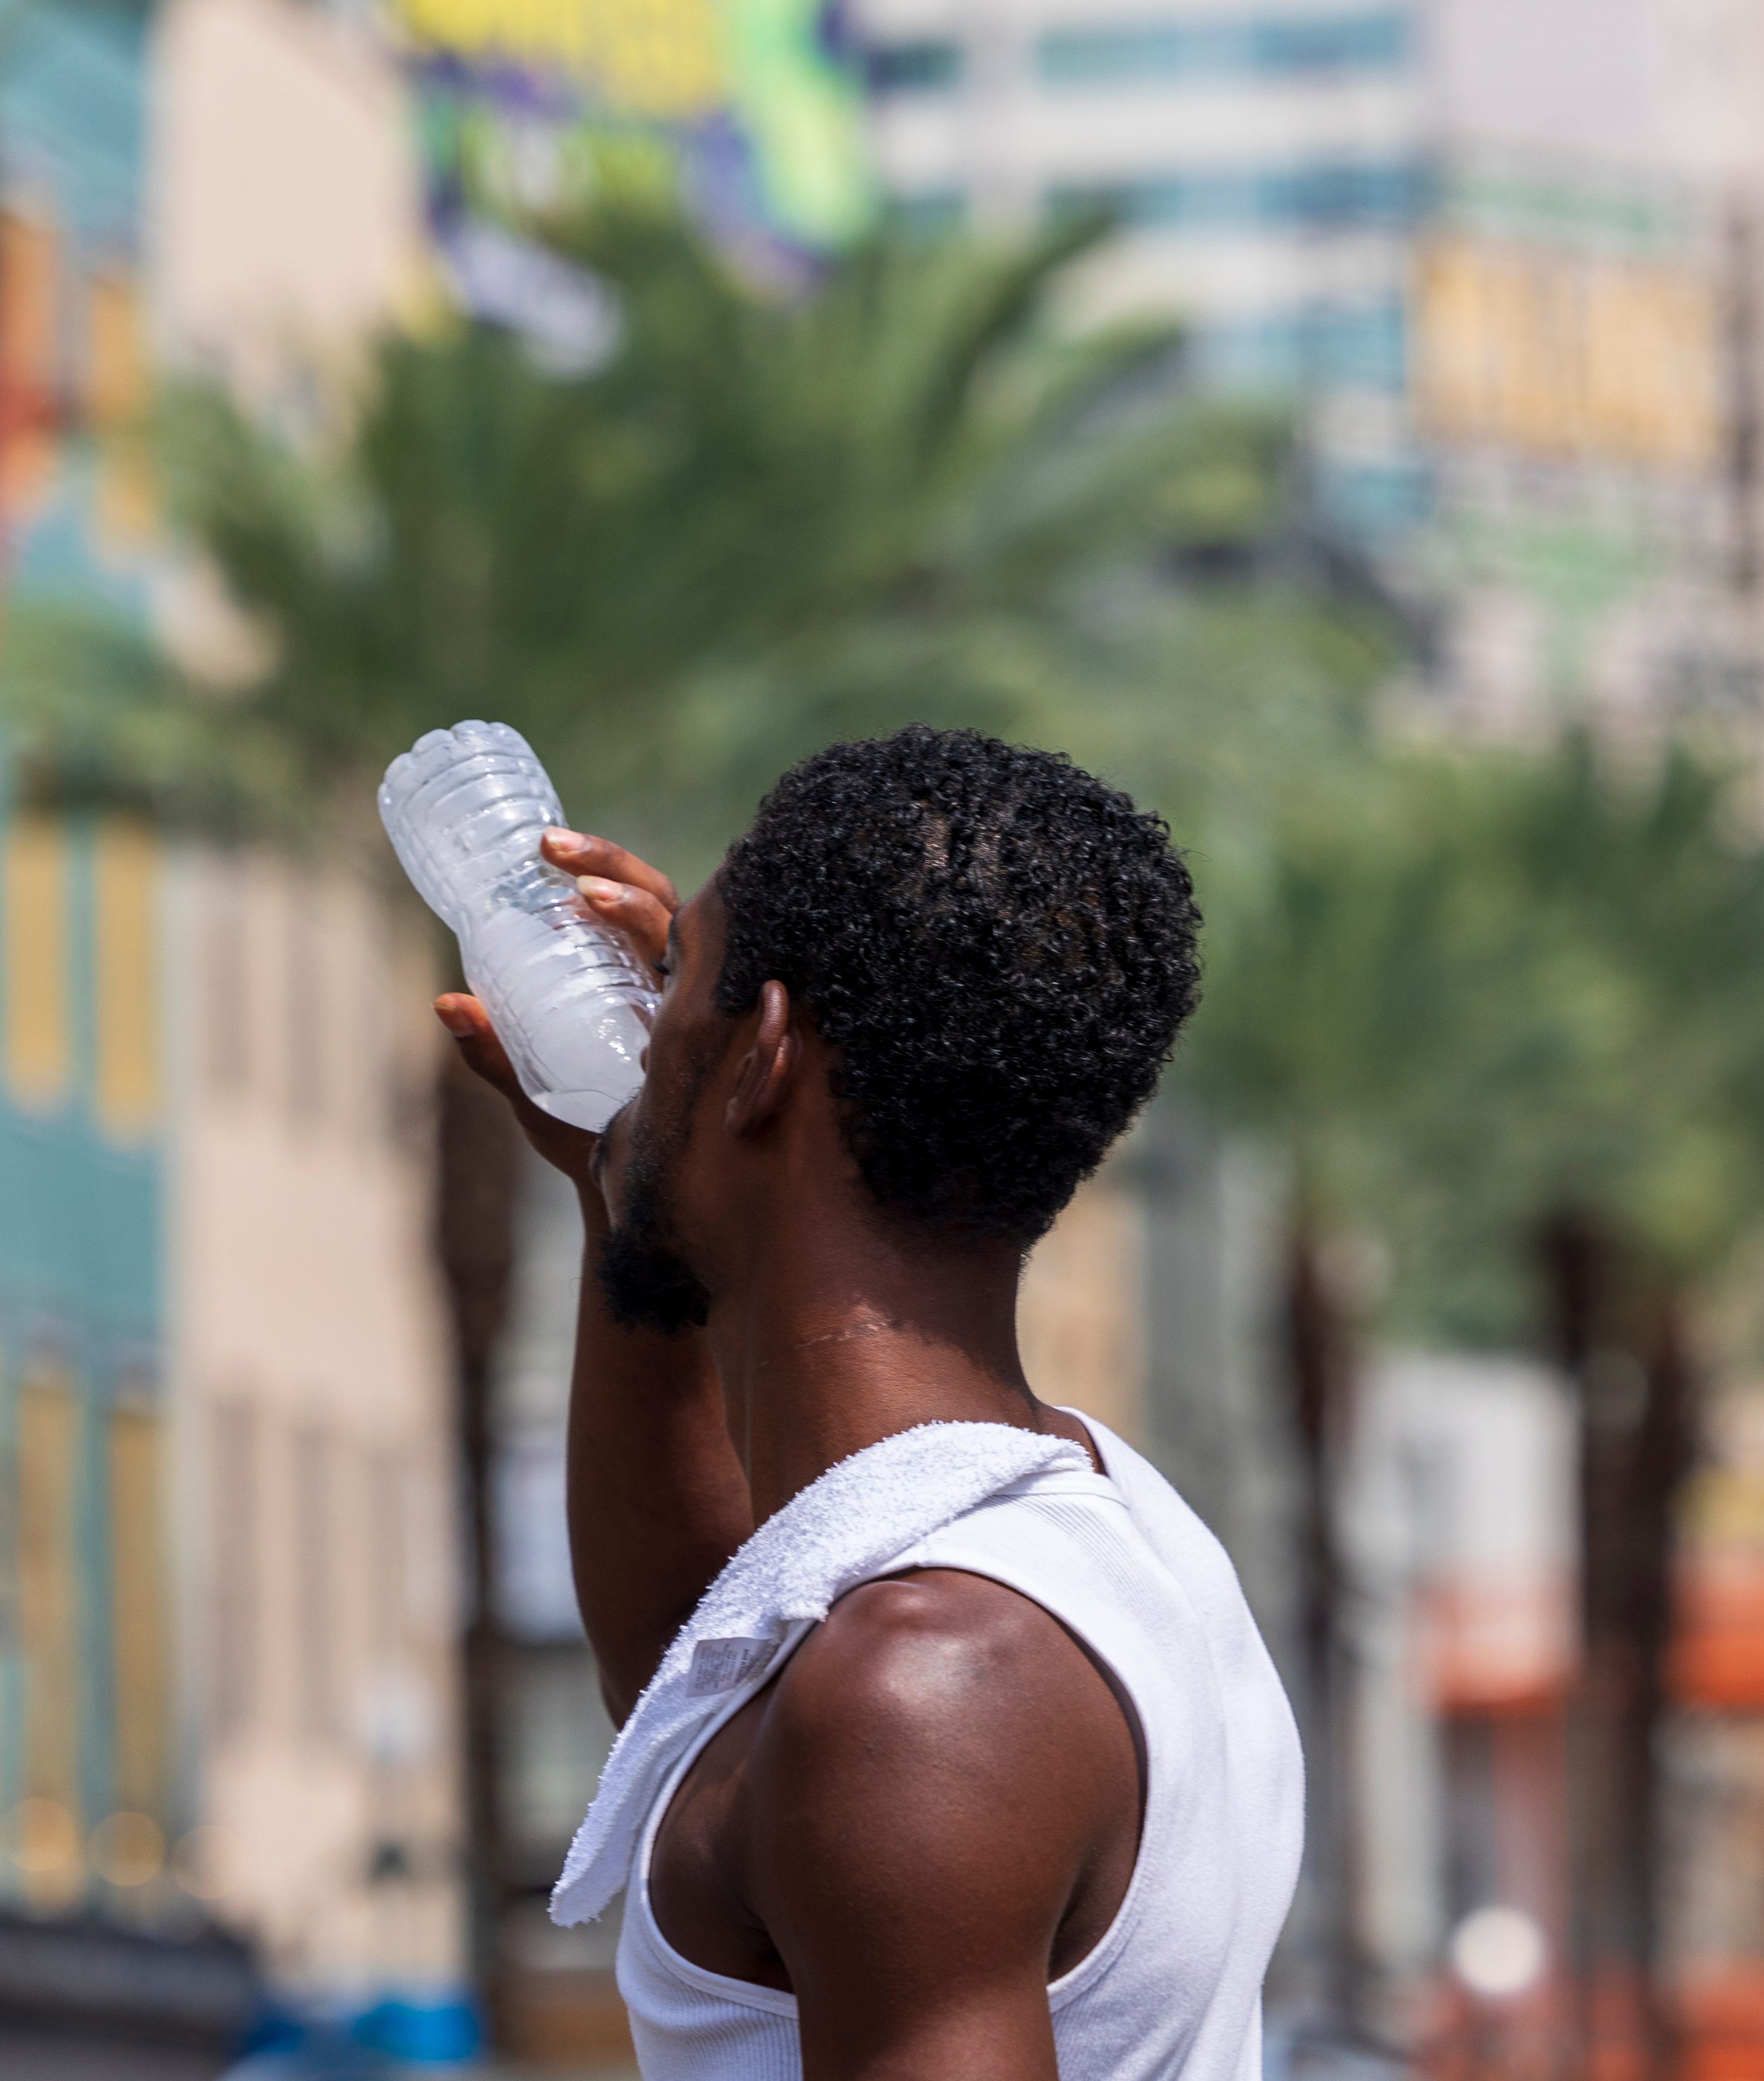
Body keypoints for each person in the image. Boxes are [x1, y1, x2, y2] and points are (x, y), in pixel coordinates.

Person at [436, 726, 1302, 2081]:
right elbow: (691, 1688)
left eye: (682, 984)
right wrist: (628, 1187)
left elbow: (810, 1737)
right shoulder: (1099, 1533)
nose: (644, 1026)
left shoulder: (922, 1685)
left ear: (765, 1052)